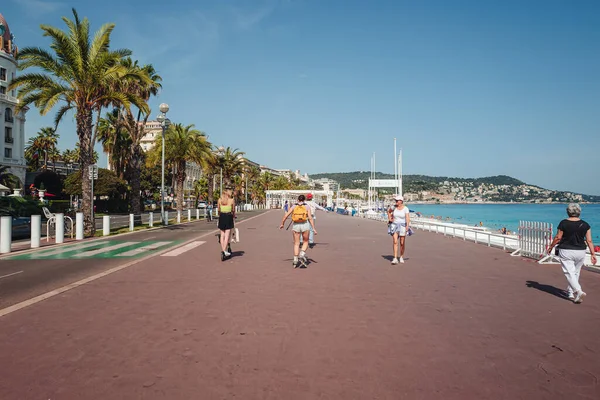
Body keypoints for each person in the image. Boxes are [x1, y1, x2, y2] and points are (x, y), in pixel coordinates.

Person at [547, 203, 596, 303]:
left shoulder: (563, 223)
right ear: (579, 212)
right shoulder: (585, 225)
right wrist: (593, 254)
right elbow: (589, 241)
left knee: (569, 272)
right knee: (575, 272)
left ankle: (578, 291)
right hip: (581, 251)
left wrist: (551, 247)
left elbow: (558, 237)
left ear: (568, 212)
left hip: (566, 250)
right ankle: (570, 292)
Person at [280, 194, 317, 268]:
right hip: (305, 225)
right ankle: (302, 253)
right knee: (305, 241)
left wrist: (282, 224)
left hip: (296, 225)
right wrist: (313, 228)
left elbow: (286, 215)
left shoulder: (294, 206)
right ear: (304, 200)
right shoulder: (307, 206)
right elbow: (310, 218)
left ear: (298, 200)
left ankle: (295, 259)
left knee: (296, 243)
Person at [387, 195, 410, 264]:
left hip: (403, 225)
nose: (396, 202)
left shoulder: (405, 208)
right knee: (395, 241)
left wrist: (407, 226)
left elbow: (407, 218)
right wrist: (390, 219)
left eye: (397, 200)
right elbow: (388, 211)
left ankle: (401, 257)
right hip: (394, 225)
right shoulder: (393, 207)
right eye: (396, 200)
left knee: (402, 243)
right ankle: (395, 258)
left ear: (401, 201)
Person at [218, 188, 236, 260]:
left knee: (222, 235)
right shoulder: (231, 200)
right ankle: (224, 251)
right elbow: (233, 210)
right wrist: (234, 216)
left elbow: (218, 210)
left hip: (222, 217)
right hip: (228, 217)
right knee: (227, 235)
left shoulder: (220, 200)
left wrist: (220, 215)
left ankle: (223, 250)